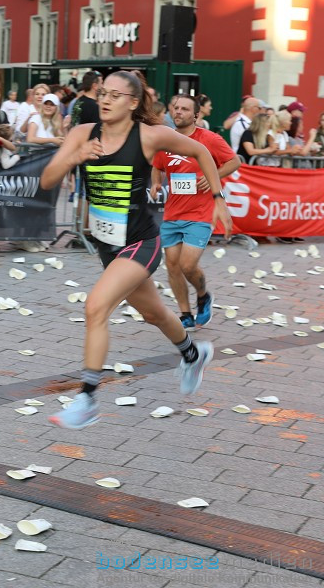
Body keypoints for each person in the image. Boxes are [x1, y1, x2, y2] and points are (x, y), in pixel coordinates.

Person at [41, 70, 232, 429]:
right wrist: (74, 156)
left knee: (96, 306)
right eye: (102, 93)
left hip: (141, 242)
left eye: (115, 95)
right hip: (107, 246)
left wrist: (218, 198)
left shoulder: (148, 136)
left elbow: (201, 150)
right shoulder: (83, 133)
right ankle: (193, 354)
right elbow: (47, 179)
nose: (106, 100)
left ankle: (87, 398)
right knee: (154, 313)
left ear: (132, 103)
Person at [150, 94, 240, 330]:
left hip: (200, 212)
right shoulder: (166, 139)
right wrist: (155, 183)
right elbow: (157, 165)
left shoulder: (209, 139)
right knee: (172, 265)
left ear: (196, 115)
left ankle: (203, 294)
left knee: (187, 265)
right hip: (172, 212)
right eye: (176, 108)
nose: (178, 112)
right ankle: (185, 313)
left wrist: (211, 178)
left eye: (185, 109)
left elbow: (235, 161)